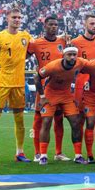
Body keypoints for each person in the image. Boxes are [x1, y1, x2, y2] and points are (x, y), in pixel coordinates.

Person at [0, 7, 32, 164]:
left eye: (19, 17)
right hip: (1, 82)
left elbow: (41, 45)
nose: (17, 20)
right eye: (14, 17)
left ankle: (20, 152)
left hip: (18, 84)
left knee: (20, 119)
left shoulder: (26, 36)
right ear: (7, 19)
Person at [34, 46, 88, 165]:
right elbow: (36, 77)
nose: (73, 57)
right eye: (70, 54)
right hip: (50, 94)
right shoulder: (53, 66)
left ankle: (78, 155)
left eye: (74, 54)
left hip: (66, 94)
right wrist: (42, 97)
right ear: (63, 56)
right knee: (46, 122)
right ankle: (43, 156)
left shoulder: (80, 63)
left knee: (76, 122)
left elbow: (93, 65)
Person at [27, 16, 69, 162]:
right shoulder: (36, 43)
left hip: (60, 86)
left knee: (59, 119)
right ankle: (37, 152)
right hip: (43, 86)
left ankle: (58, 152)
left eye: (56, 25)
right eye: (51, 24)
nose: (53, 27)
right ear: (44, 25)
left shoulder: (63, 41)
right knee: (39, 118)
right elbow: (22, 57)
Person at [71, 14, 95, 161]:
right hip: (80, 85)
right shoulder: (75, 42)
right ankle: (78, 154)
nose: (94, 26)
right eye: (92, 23)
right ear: (85, 24)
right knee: (79, 119)